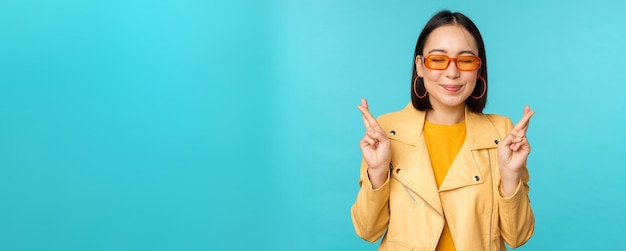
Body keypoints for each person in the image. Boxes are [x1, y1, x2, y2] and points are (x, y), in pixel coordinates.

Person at [351, 10, 535, 251]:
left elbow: (517, 237)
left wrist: (510, 176)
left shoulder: (502, 132)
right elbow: (367, 230)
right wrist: (377, 172)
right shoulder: (387, 131)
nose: (452, 72)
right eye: (438, 59)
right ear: (420, 66)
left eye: (466, 60)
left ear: (478, 69)